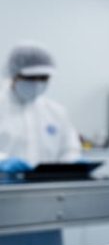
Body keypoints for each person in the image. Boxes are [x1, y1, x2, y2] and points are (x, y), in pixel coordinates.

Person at [0, 44, 81, 174]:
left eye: (43, 78)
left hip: (44, 189)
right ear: (13, 74)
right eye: (30, 77)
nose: (37, 83)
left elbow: (69, 149)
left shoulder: (56, 111)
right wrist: (2, 161)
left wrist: (73, 162)